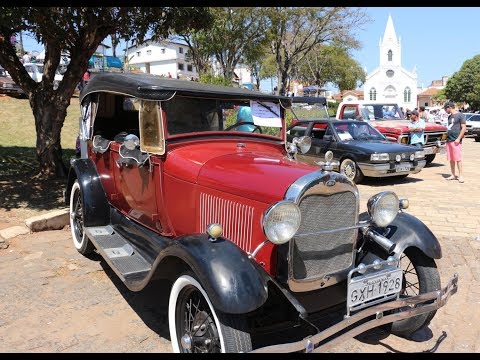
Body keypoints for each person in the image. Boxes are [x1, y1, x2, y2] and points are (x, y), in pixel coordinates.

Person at [444, 101, 467, 183]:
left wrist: (458, 138)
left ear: (449, 107)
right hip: (449, 139)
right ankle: (453, 174)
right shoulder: (449, 117)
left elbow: (464, 128)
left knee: (458, 158)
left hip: (456, 140)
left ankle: (461, 175)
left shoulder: (460, 115)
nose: (445, 110)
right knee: (451, 159)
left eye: (445, 109)